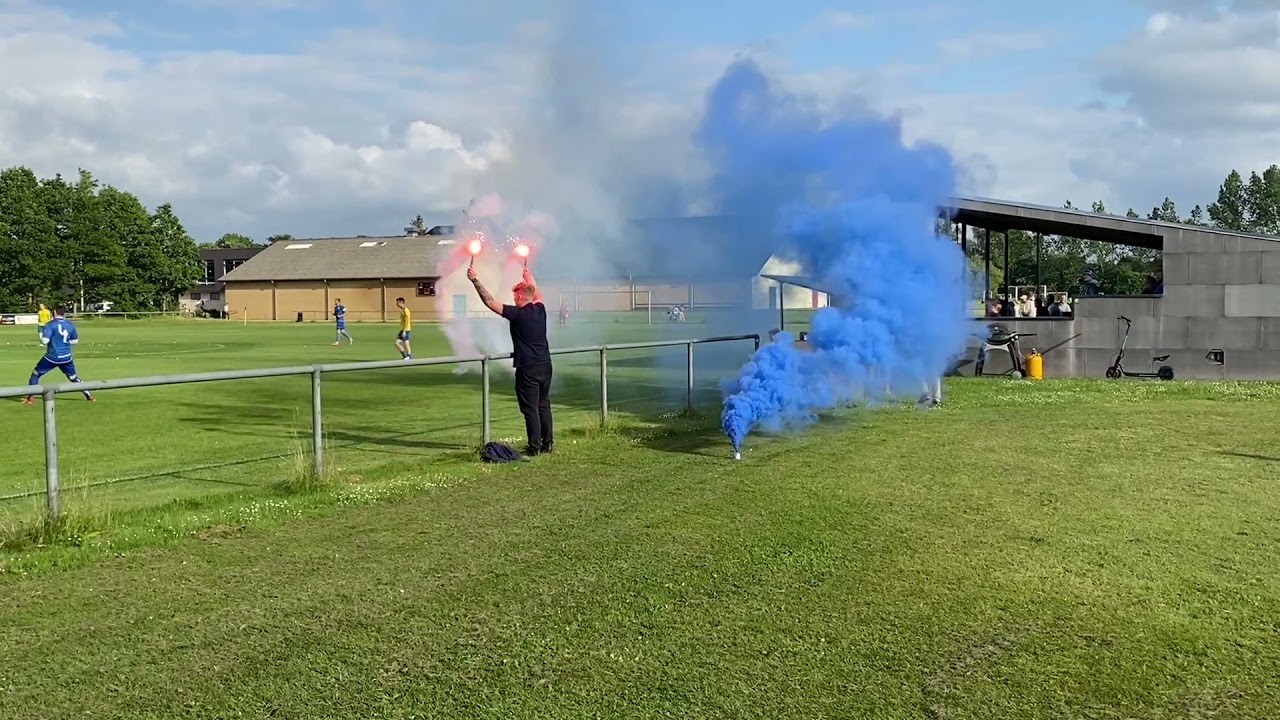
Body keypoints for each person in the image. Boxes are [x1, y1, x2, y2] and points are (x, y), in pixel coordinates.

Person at [467, 264, 554, 456]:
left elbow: (490, 302)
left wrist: (475, 280)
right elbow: (536, 292)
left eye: (515, 297)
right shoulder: (540, 309)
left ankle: (534, 447)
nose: (514, 300)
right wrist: (529, 277)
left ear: (521, 297)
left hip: (528, 368)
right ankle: (548, 444)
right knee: (543, 405)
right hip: (545, 365)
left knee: (530, 409)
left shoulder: (518, 314)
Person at [24, 305, 94, 406]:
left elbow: (45, 341)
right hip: (66, 357)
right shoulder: (70, 325)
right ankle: (89, 395)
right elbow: (75, 341)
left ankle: (30, 398)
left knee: (36, 374)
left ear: (54, 313)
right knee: (73, 377)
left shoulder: (50, 324)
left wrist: (45, 338)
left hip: (52, 357)